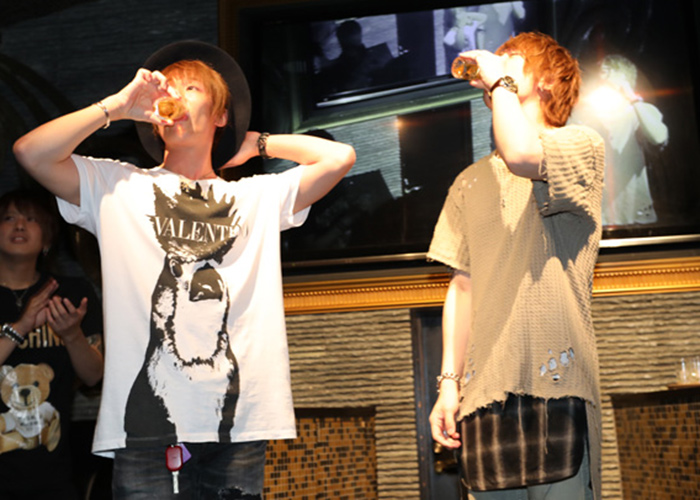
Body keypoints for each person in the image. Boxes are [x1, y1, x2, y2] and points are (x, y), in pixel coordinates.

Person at [13, 40, 355, 499]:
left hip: (240, 419)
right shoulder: (117, 185)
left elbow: (339, 158)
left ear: (220, 114)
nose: (173, 96)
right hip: (145, 426)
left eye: (191, 88)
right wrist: (116, 107)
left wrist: (256, 143)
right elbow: (31, 152)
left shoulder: (255, 196)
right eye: (166, 89)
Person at [427, 32, 605, 500]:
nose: (498, 66)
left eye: (512, 61)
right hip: (483, 392)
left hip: (558, 383)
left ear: (546, 80)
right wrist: (448, 386)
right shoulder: (468, 182)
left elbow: (523, 156)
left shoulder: (580, 144)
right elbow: (462, 287)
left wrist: (499, 80)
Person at [0, 189, 104, 499]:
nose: (20, 225)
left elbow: (93, 376)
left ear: (47, 239)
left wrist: (71, 335)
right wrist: (21, 326)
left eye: (31, 219)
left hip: (52, 474)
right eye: (9, 218)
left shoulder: (70, 293)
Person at [570, 54, 668, 226]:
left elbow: (658, 137)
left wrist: (632, 98)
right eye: (600, 72)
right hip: (595, 217)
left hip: (635, 213)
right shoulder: (582, 115)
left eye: (609, 71)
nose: (603, 76)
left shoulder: (641, 111)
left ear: (625, 77)